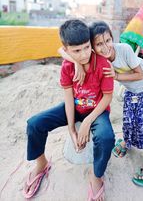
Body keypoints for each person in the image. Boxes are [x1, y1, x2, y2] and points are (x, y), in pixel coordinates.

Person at [59, 20, 143, 187]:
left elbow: (140, 75)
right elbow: (62, 50)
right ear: (91, 47)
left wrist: (116, 76)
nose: (105, 47)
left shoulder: (124, 50)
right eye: (99, 44)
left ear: (112, 38)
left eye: (108, 40)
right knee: (128, 120)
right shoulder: (94, 57)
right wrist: (76, 62)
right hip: (132, 90)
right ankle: (127, 142)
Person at [23, 19, 115, 201]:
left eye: (87, 47)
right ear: (67, 51)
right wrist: (72, 129)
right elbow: (68, 98)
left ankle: (96, 175)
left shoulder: (103, 64)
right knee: (34, 123)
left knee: (106, 137)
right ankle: (41, 164)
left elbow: (107, 97)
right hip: (74, 106)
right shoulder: (68, 66)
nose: (84, 54)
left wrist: (87, 122)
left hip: (97, 111)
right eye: (77, 51)